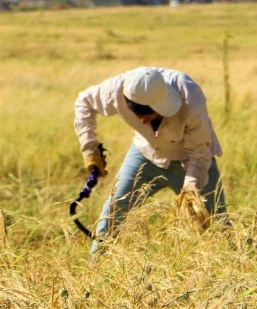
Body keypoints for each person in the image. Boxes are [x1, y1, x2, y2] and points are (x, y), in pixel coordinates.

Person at [74, 67, 227, 252]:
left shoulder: (190, 97)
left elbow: (200, 152)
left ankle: (229, 270)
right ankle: (96, 269)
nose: (144, 122)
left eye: (150, 115)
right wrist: (90, 150)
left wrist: (190, 188)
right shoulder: (116, 89)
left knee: (214, 223)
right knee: (114, 212)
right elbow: (84, 102)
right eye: (140, 117)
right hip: (144, 155)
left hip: (191, 161)